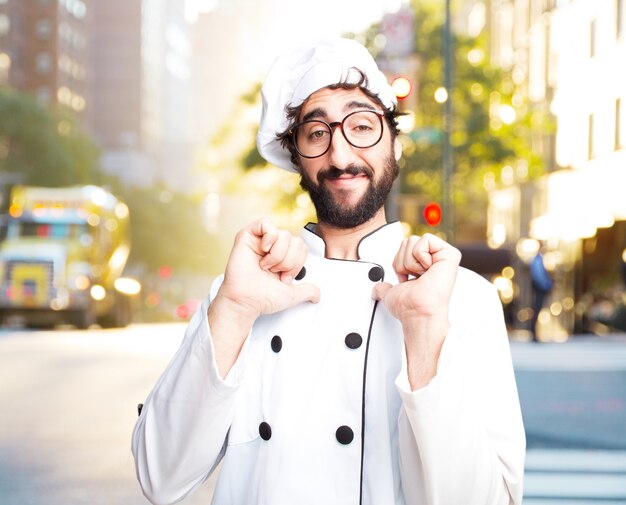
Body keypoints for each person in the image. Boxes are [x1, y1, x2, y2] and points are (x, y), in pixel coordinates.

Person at [132, 38, 525, 505]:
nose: (340, 157)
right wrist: (234, 309)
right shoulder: (242, 291)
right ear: (295, 156)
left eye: (362, 126)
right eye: (317, 133)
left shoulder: (463, 298)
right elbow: (160, 477)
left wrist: (424, 335)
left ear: (395, 142)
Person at [529, 248, 553, 342]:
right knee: (537, 310)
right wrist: (547, 285)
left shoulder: (538, 260)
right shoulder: (538, 260)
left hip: (539, 288)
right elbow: (539, 276)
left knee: (537, 310)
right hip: (540, 289)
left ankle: (534, 332)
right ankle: (533, 332)